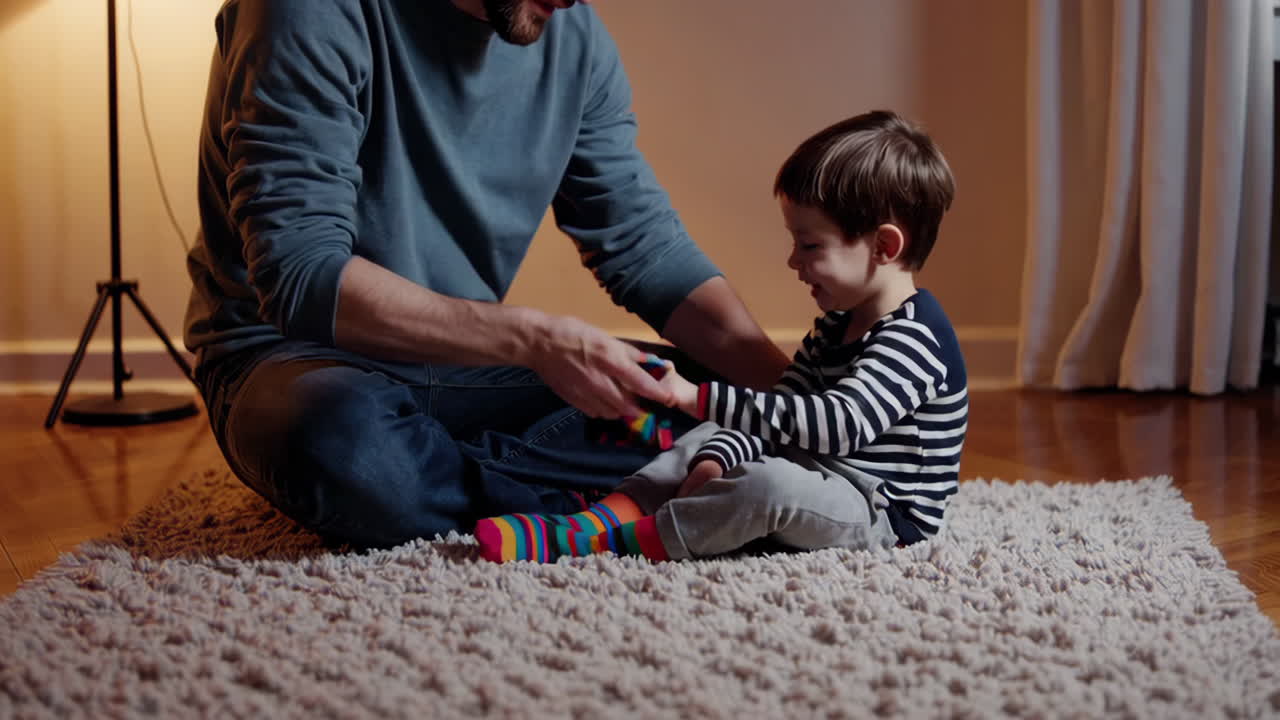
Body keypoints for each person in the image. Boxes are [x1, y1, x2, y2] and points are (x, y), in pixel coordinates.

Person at [184, 0, 790, 548]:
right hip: (295, 363)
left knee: (706, 398)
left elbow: (645, 247)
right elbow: (301, 276)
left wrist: (804, 400)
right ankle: (597, 497)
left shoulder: (576, 39)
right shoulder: (308, 9)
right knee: (348, 445)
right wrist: (532, 340)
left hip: (466, 369)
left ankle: (525, 502)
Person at [475, 110, 967, 563]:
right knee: (712, 435)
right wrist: (715, 457)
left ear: (883, 246)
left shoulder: (915, 339)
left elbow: (837, 426)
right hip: (820, 468)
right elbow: (782, 406)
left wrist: (695, 397)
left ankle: (618, 544)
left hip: (878, 511)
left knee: (768, 485)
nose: (794, 262)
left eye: (810, 245)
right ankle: (600, 518)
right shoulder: (837, 324)